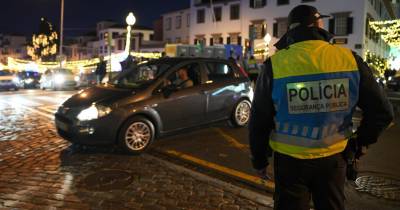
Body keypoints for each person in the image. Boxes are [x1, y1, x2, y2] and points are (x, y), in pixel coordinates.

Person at [248, 5, 394, 210]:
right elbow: (383, 112)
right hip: (334, 160)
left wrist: (259, 159)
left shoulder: (275, 64)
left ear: (291, 30)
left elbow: (259, 119)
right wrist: (359, 144)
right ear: (317, 25)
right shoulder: (349, 59)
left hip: (290, 163)